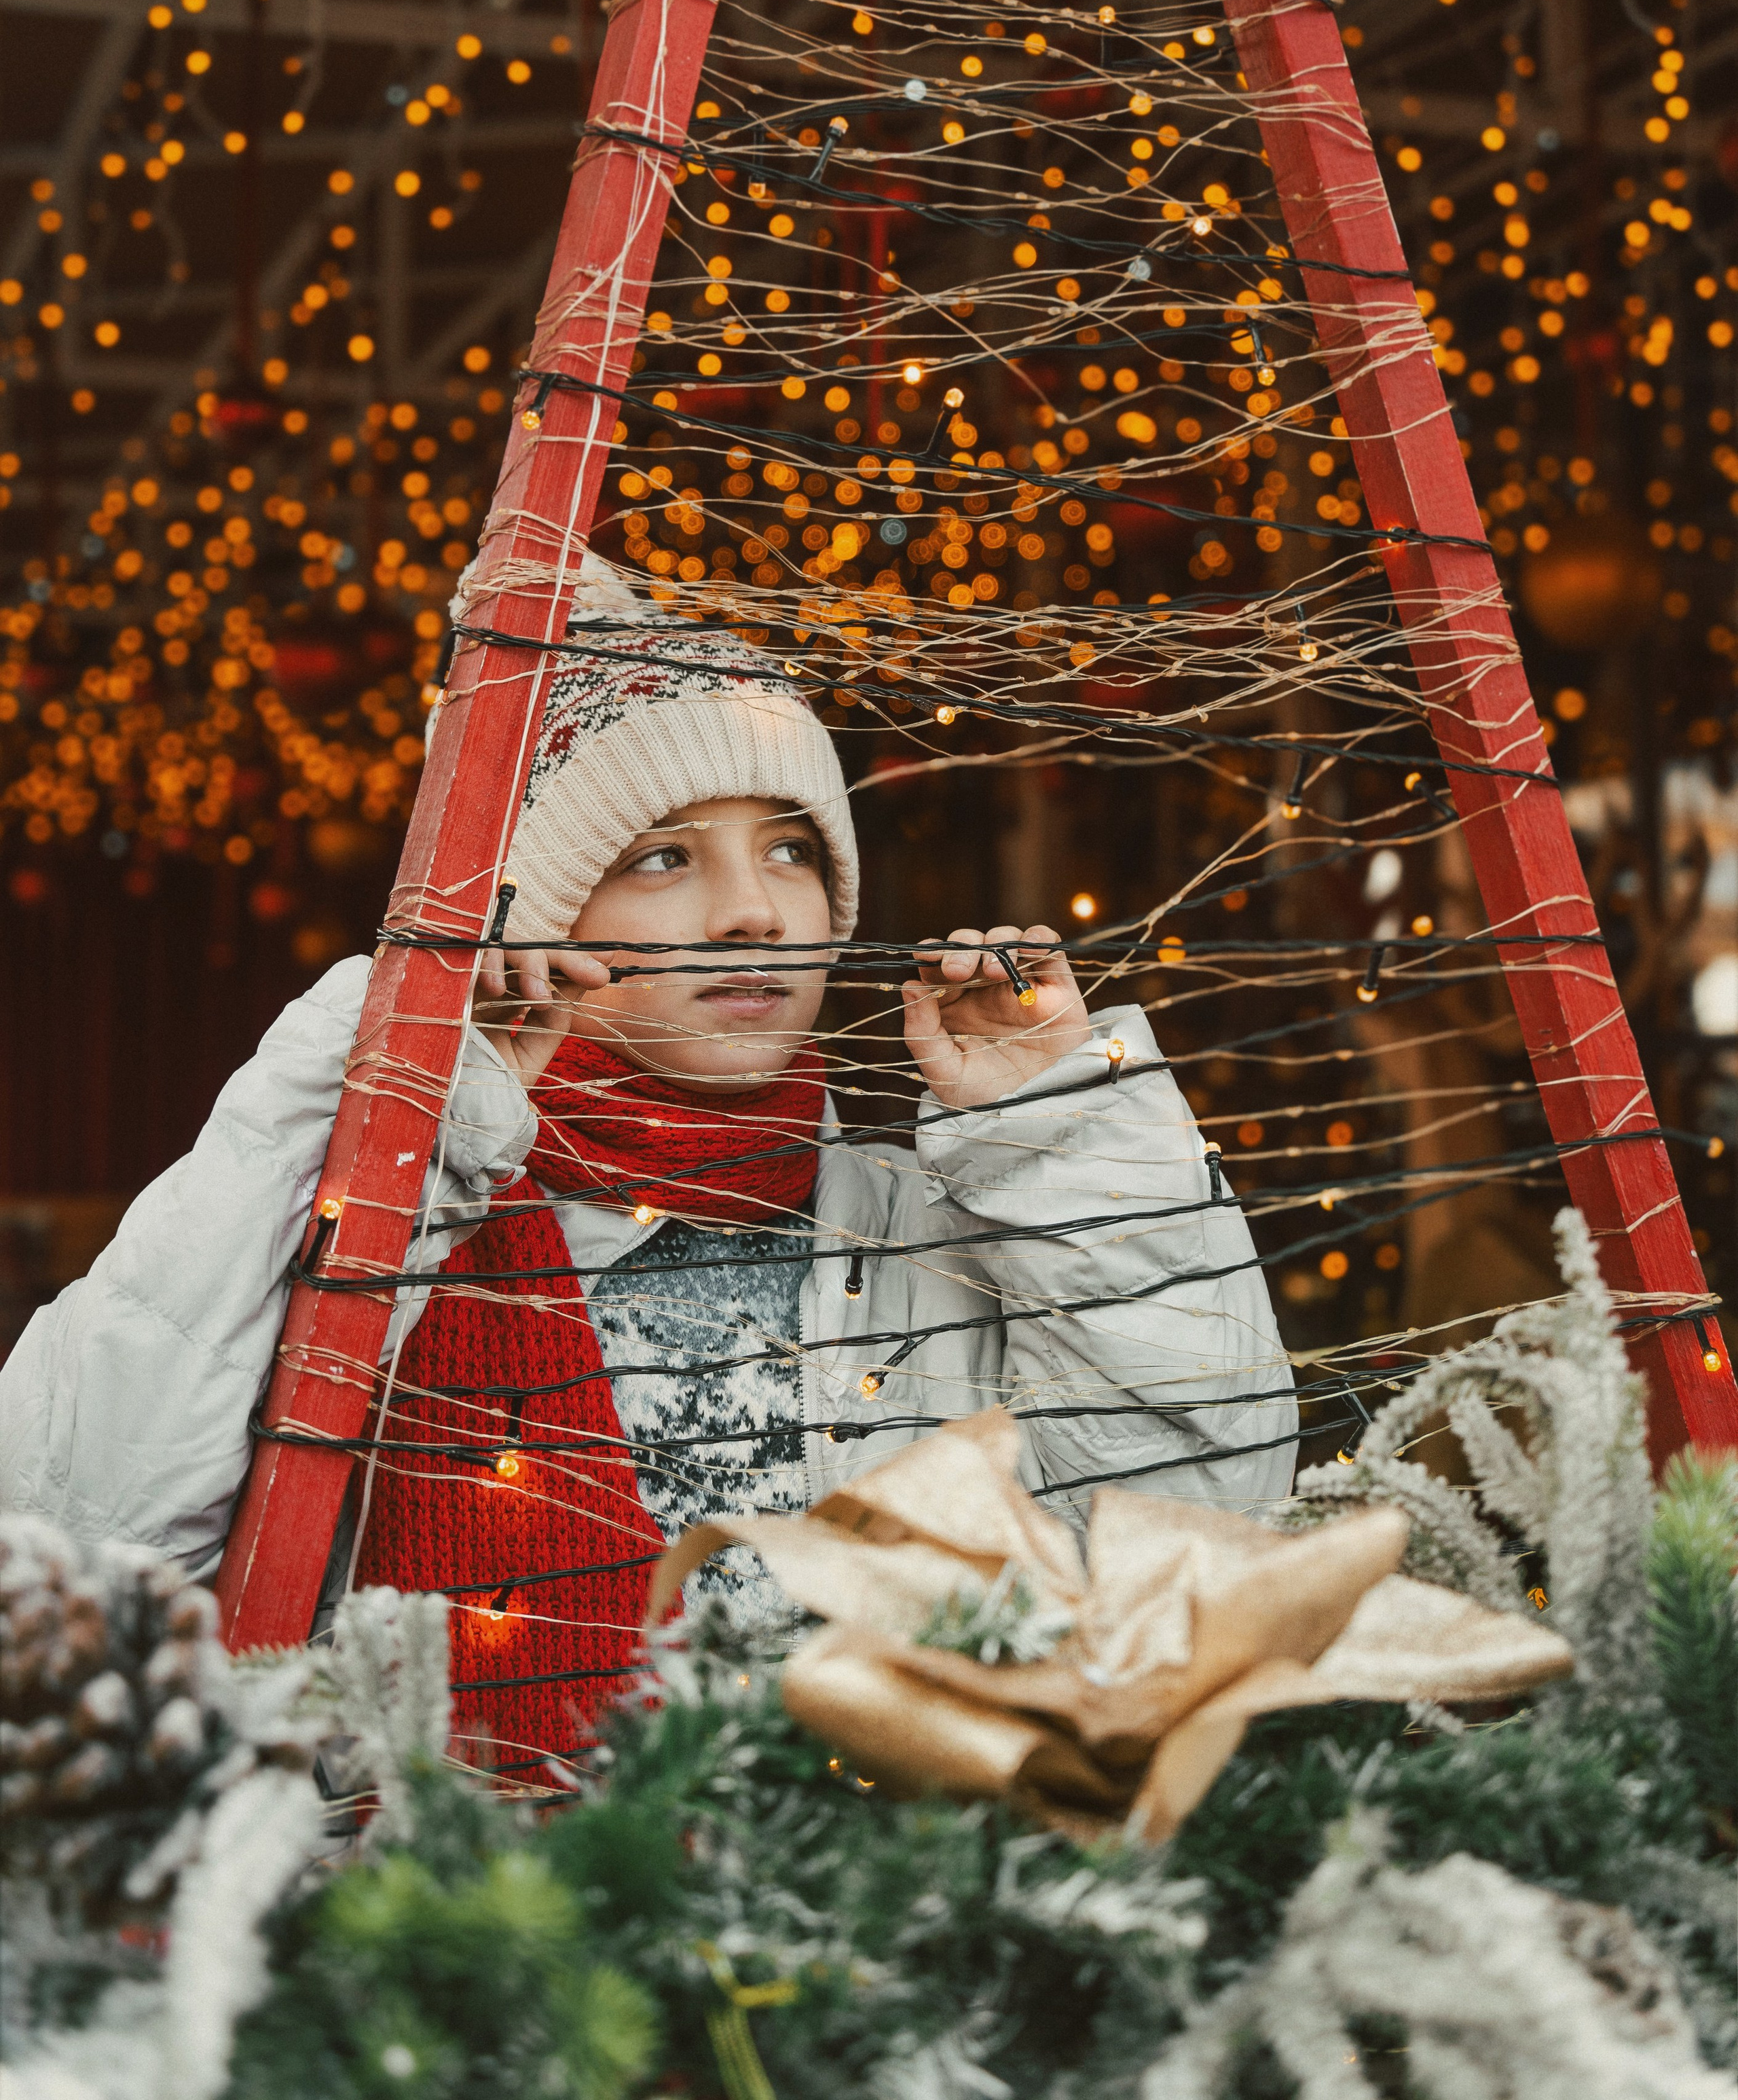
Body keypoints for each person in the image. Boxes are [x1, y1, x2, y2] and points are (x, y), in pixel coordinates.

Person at [0, 559, 1296, 1772]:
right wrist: (368, 1090)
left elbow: (1200, 1555)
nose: (755, 909)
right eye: (662, 857)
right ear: (534, 919)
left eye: (789, 845)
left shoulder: (952, 1228)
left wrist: (1067, 1133)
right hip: (445, 1973)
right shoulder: (382, 1232)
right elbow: (69, 1559)